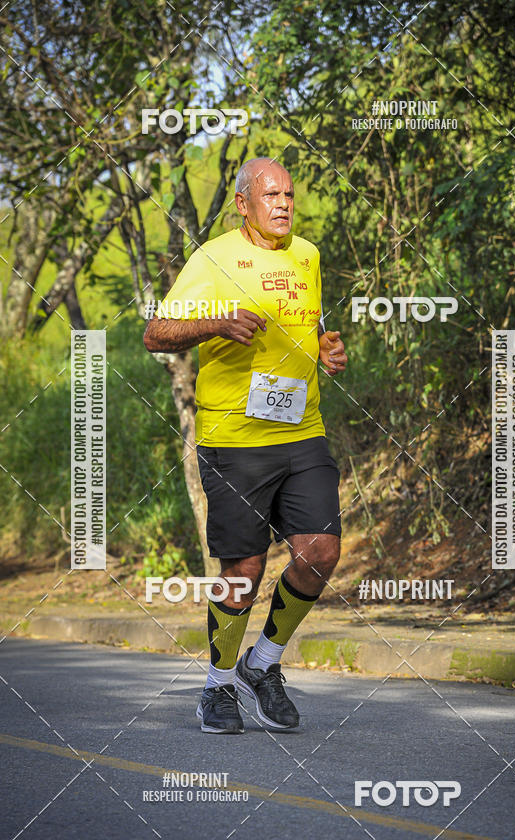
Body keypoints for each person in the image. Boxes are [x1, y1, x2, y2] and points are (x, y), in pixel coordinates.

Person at [144, 157, 347, 733]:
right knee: (243, 570)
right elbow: (156, 332)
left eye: (289, 194)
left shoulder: (306, 255)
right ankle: (217, 685)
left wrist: (326, 350)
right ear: (243, 203)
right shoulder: (213, 259)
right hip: (234, 438)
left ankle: (262, 663)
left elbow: (308, 323)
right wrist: (217, 323)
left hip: (302, 429)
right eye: (271, 194)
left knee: (320, 553)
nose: (283, 204)